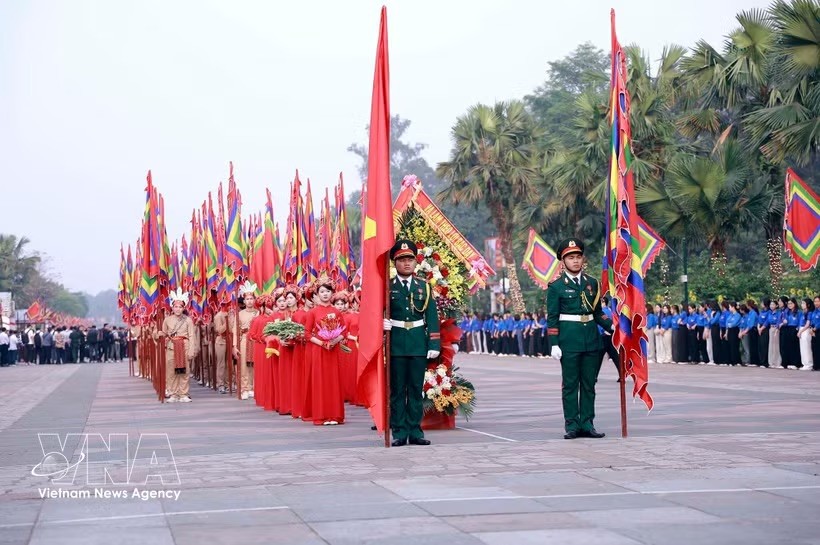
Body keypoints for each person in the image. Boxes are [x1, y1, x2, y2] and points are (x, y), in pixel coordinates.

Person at [547, 238, 612, 440]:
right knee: (570, 384)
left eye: (578, 257)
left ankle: (587, 423)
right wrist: (554, 344)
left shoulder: (592, 283)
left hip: (591, 339)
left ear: (583, 259)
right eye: (571, 258)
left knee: (589, 384)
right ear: (563, 262)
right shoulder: (556, 287)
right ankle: (572, 425)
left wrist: (615, 327)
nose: (575, 261)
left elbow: (598, 313)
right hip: (569, 340)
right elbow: (552, 317)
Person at [382, 239, 440, 446]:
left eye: (410, 259)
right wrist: (382, 324)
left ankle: (415, 430)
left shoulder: (423, 286)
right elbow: (376, 312)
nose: (406, 263)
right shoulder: (387, 286)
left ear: (416, 262)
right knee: (397, 390)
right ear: (394, 263)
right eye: (402, 260)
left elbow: (432, 317)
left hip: (417, 342)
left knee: (416, 389)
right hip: (396, 342)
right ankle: (399, 431)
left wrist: (434, 345)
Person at [159, 288, 197, 402]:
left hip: (184, 346)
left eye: (180, 307)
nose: (178, 309)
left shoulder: (188, 320)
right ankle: (173, 393)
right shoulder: (167, 320)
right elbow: (164, 333)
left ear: (183, 308)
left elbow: (191, 336)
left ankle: (183, 394)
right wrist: (158, 334)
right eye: (176, 306)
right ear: (172, 307)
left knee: (184, 371)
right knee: (171, 372)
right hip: (171, 347)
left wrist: (191, 350)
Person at [233, 281, 260, 400]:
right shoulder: (239, 314)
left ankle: (255, 387)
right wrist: (235, 345)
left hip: (256, 341)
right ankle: (245, 388)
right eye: (247, 299)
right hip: (244, 340)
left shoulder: (259, 313)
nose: (249, 301)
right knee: (244, 365)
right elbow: (235, 331)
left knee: (256, 365)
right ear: (244, 301)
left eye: (251, 298)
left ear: (254, 300)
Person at [798, 298, 814, 371]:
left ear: (808, 304)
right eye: (802, 303)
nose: (802, 305)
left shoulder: (810, 313)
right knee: (802, 348)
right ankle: (804, 363)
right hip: (801, 329)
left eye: (804, 303)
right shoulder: (803, 312)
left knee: (807, 347)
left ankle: (809, 364)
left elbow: (808, 324)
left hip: (806, 330)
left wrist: (801, 331)